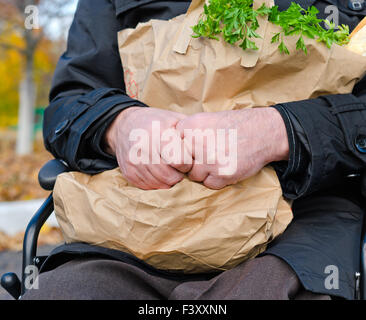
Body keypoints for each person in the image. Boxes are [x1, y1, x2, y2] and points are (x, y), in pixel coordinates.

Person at [22, 0, 366, 300]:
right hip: (137, 220)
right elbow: (68, 104)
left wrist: (281, 132)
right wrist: (118, 124)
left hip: (299, 224)